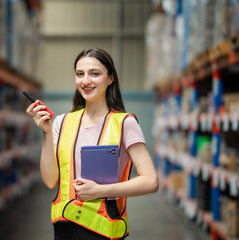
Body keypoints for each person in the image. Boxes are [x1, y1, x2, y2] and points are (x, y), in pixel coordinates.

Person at [26, 48, 158, 240]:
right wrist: (46, 133)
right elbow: (50, 180)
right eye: (80, 74)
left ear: (110, 78)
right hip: (65, 229)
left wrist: (100, 191)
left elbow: (151, 181)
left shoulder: (124, 123)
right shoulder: (62, 122)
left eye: (94, 74)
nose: (85, 81)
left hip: (103, 230)